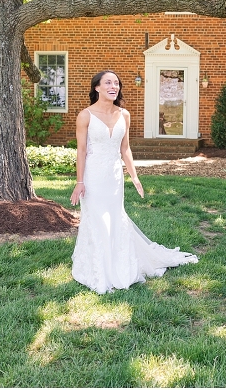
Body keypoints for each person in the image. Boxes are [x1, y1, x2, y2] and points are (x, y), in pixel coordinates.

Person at [70, 70, 198, 294]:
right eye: (108, 82)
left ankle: (119, 264)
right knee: (97, 220)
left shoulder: (124, 115)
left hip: (114, 176)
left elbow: (125, 148)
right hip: (93, 176)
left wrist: (134, 176)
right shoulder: (85, 116)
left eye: (117, 83)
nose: (114, 86)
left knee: (115, 218)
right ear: (97, 88)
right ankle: (98, 270)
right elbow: (81, 150)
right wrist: (80, 181)